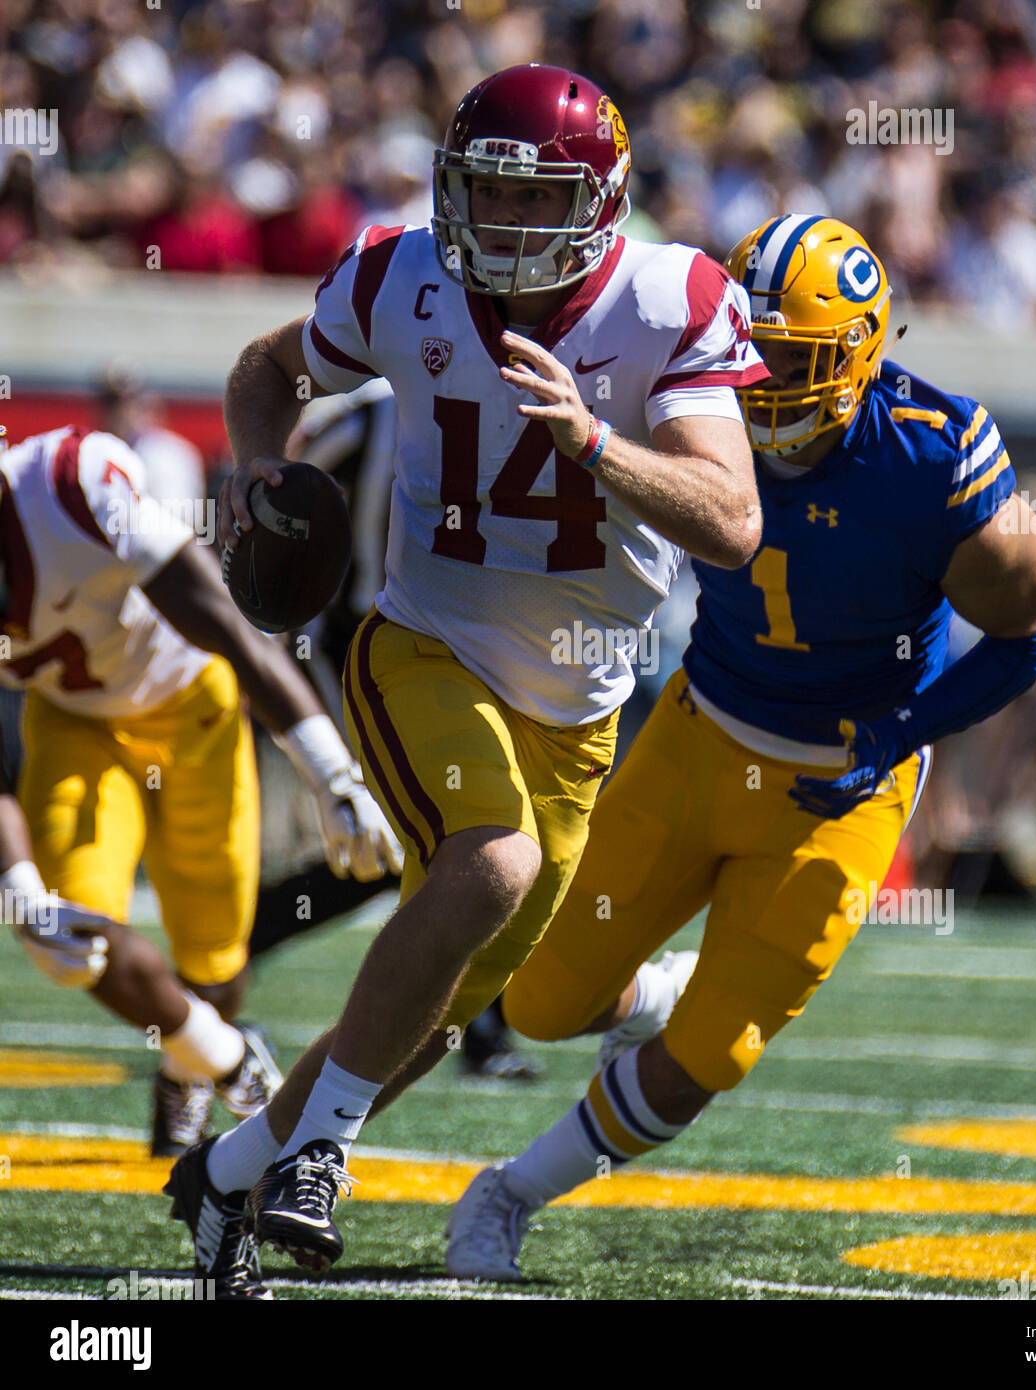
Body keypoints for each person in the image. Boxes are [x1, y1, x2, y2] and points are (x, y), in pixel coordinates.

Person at [162, 62, 767, 1298]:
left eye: (529, 199)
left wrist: (598, 443)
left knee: (430, 1014)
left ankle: (228, 1172)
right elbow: (263, 368)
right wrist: (260, 475)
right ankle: (322, 1152)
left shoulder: (672, 298)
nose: (498, 226)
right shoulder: (403, 276)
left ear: (600, 202)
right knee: (491, 863)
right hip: (419, 646)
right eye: (480, 195)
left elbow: (732, 520)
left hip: (579, 706)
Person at [440, 214, 1036, 1282]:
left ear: (859, 352)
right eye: (755, 343)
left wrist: (902, 732)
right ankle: (659, 989)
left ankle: (507, 1191)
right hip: (700, 732)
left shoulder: (933, 457)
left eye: (794, 354)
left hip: (843, 780)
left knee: (712, 1056)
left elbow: (1032, 632)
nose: (765, 375)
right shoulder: (691, 396)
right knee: (542, 1002)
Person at [0, 422, 401, 1166]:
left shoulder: (71, 484)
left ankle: (193, 1060)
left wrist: (330, 770)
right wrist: (18, 885)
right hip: (77, 724)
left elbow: (223, 620)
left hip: (194, 706)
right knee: (69, 939)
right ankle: (225, 1060)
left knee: (218, 960)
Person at [249, 379, 544, 1081]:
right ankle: (242, 935)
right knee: (422, 838)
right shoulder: (373, 408)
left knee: (462, 837)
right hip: (359, 645)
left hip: (465, 650)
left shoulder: (509, 401)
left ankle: (243, 934)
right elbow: (281, 494)